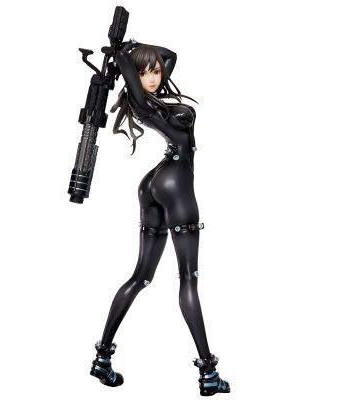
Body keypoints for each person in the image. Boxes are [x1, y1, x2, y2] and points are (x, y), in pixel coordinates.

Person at [89, 42, 230, 396]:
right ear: (133, 79)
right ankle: (209, 373)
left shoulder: (152, 102)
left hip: (153, 184)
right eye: (144, 73)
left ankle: (102, 359)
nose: (153, 77)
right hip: (175, 185)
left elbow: (170, 57)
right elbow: (149, 73)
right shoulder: (146, 104)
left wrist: (132, 50)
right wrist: (122, 58)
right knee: (188, 281)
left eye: (155, 72)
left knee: (141, 277)